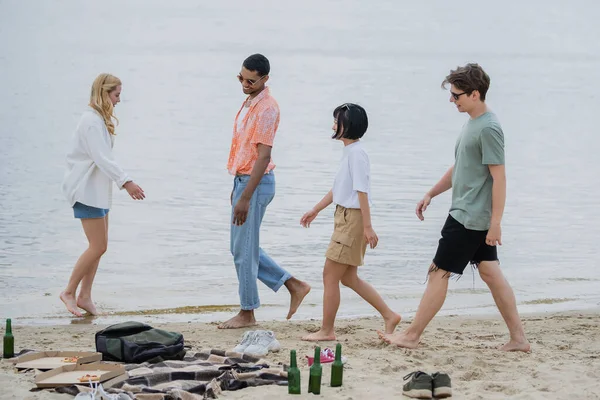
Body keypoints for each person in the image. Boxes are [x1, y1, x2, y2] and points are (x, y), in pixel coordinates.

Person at [378, 63, 530, 352]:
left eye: (457, 95)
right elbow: (462, 166)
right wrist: (432, 193)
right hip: (470, 213)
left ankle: (411, 335)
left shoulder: (489, 128)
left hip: (469, 217)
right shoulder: (473, 123)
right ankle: (519, 339)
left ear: (475, 94)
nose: (452, 100)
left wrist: (496, 222)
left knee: (439, 272)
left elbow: (500, 178)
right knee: (490, 272)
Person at [219, 54, 311, 329]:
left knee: (243, 251)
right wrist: (237, 187)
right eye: (241, 78)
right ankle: (293, 285)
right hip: (243, 181)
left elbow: (262, 156)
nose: (245, 84)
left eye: (251, 80)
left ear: (265, 79)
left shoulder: (267, 107)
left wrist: (246, 196)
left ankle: (247, 312)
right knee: (242, 248)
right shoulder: (250, 102)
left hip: (255, 184)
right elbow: (243, 149)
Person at [300, 103, 401, 341]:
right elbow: (338, 189)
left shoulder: (357, 154)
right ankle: (389, 315)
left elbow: (361, 191)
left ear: (347, 126)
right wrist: (316, 209)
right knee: (348, 278)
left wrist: (367, 226)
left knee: (330, 275)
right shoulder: (350, 152)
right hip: (345, 216)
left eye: (337, 121)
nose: (333, 125)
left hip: (353, 220)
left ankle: (327, 330)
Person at [60, 73, 145, 317]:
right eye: (116, 95)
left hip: (97, 192)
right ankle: (69, 292)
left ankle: (84, 296)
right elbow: (102, 158)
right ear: (103, 93)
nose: (119, 101)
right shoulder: (90, 121)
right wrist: (126, 181)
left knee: (100, 246)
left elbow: (103, 160)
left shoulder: (98, 119)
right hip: (85, 190)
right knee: (97, 246)